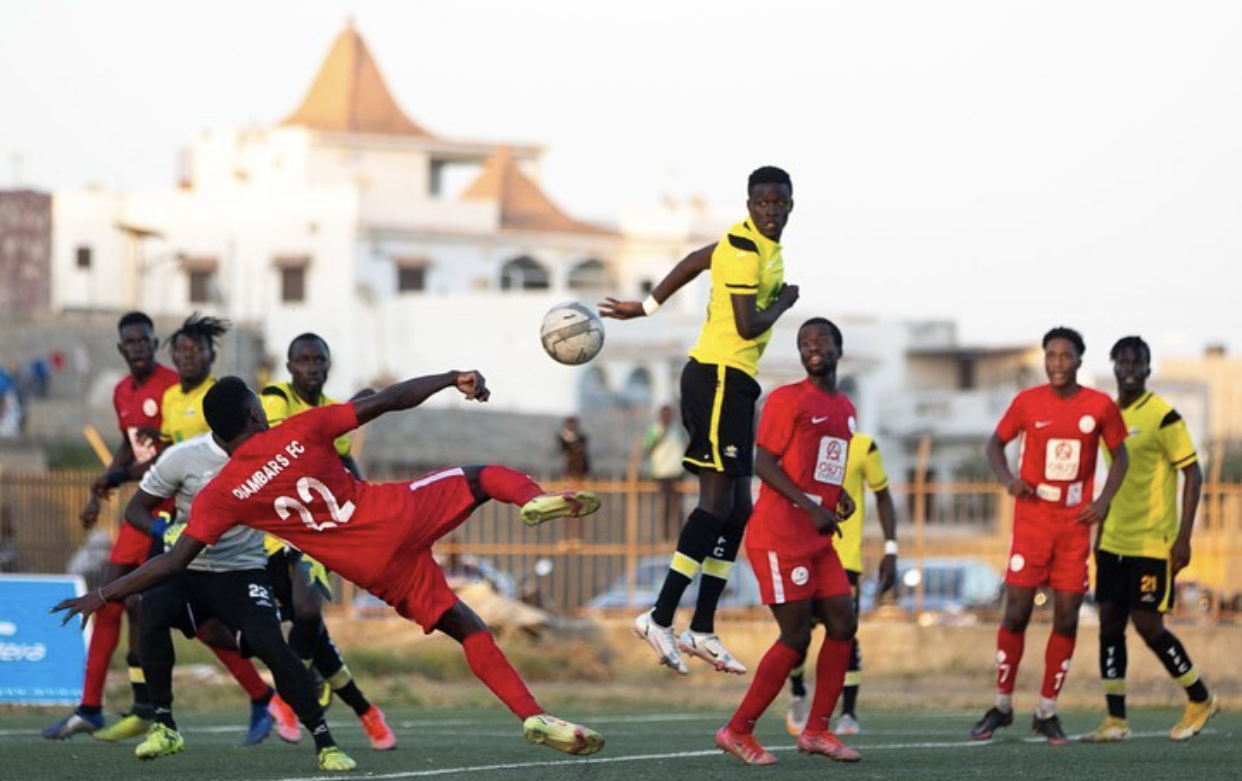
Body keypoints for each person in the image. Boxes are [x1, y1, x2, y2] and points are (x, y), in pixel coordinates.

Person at [55, 369, 607, 758]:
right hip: (395, 516)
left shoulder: (221, 493)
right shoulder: (302, 428)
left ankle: (532, 715)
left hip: (373, 570)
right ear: (254, 412)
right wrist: (451, 378)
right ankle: (532, 499)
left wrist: (103, 594)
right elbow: (390, 399)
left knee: (464, 626)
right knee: (482, 477)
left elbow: (175, 560)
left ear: (220, 436)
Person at [601, 166, 800, 674]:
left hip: (736, 382)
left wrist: (646, 306)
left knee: (737, 509)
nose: (772, 211)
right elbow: (746, 322)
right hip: (715, 378)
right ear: (750, 203)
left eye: (780, 203)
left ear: (791, 205)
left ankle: (703, 626)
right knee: (714, 504)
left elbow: (695, 259)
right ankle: (660, 615)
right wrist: (783, 302)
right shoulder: (744, 251)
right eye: (763, 203)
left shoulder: (753, 244)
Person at [122, 434, 352, 769]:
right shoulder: (182, 457)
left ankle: (325, 742)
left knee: (272, 646)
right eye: (254, 412)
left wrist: (311, 551)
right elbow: (134, 509)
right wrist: (164, 530)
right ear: (235, 423)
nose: (261, 419)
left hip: (242, 573)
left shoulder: (271, 457)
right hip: (189, 571)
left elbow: (308, 501)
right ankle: (164, 724)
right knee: (148, 607)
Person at [971, 327, 1129, 745]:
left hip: (1074, 526)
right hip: (1032, 521)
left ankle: (1046, 710)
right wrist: (1008, 480)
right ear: (1045, 360)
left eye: (1066, 356)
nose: (1057, 363)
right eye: (1051, 356)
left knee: (1067, 615)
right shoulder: (1027, 402)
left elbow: (1121, 456)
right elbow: (993, 444)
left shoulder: (1099, 406)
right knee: (1017, 612)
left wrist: (1104, 500)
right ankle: (1002, 706)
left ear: (1079, 360)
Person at [716, 318, 860, 765]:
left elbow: (821, 464)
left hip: (818, 536)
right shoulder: (785, 398)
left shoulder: (846, 408)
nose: (812, 347)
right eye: (804, 342)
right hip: (779, 535)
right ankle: (737, 730)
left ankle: (817, 732)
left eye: (820, 340)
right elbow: (765, 463)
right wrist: (813, 505)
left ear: (838, 347)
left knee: (843, 623)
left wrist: (839, 496)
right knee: (795, 637)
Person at [43, 312, 179, 741]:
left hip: (176, 510)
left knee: (194, 619)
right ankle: (91, 707)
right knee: (110, 602)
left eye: (144, 340)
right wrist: (102, 482)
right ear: (121, 349)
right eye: (130, 342)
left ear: (154, 343)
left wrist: (119, 477)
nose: (137, 347)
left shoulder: (173, 386)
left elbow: (168, 453)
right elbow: (130, 441)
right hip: (141, 511)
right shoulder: (122, 390)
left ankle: (259, 699)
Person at [258, 333, 395, 749]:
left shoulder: (336, 412)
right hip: (269, 532)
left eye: (320, 360)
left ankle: (285, 697)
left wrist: (362, 495)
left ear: (329, 366)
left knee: (306, 609)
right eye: (304, 360)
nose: (312, 367)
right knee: (311, 632)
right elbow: (291, 444)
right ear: (289, 366)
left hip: (313, 534)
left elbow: (345, 458)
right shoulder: (275, 398)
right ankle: (367, 713)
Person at [1081, 336, 1217, 743]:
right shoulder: (1109, 415)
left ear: (1147, 369)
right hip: (1113, 540)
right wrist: (1101, 531)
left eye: (1137, 362)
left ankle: (1199, 697)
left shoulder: (1163, 415)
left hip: (1151, 542)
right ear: (1114, 366)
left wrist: (1183, 538)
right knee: (1108, 623)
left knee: (1148, 624)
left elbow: (1193, 473)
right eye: (1122, 362)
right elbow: (1114, 478)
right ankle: (1116, 720)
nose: (1129, 369)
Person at [785, 428, 898, 736]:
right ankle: (797, 693)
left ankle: (847, 712)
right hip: (803, 557)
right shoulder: (800, 445)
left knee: (845, 634)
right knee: (797, 634)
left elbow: (883, 495)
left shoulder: (863, 446)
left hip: (844, 561)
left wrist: (891, 548)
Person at [643, 405, 687, 541]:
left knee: (678, 505)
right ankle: (666, 535)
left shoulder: (677, 430)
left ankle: (680, 534)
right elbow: (648, 448)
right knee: (666, 504)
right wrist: (660, 437)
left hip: (677, 471)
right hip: (661, 472)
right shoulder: (654, 430)